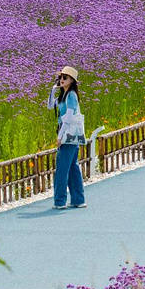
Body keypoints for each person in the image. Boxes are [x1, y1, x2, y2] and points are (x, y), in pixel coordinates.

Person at [47, 66, 86, 209]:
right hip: (70, 136)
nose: (62, 80)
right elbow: (50, 106)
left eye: (65, 78)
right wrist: (53, 90)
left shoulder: (71, 96)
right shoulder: (63, 95)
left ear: (72, 81)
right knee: (72, 168)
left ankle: (60, 201)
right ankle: (78, 199)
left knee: (62, 169)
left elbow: (68, 118)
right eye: (61, 77)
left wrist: (59, 136)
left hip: (67, 135)